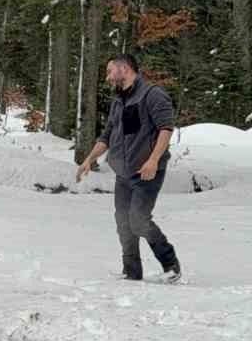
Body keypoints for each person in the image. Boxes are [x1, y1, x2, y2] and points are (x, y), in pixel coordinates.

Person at [76, 53, 182, 283]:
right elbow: (107, 135)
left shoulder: (152, 94)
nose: (107, 77)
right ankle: (131, 272)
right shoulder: (118, 101)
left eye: (109, 71)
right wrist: (88, 160)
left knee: (138, 219)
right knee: (123, 222)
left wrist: (153, 160)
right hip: (123, 172)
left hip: (147, 171)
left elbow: (166, 128)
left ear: (124, 68)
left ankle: (170, 264)